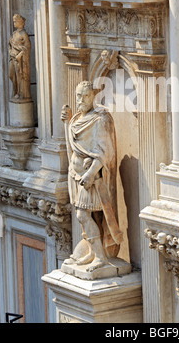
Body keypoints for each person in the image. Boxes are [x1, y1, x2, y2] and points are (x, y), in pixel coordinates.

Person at [61, 80, 123, 272]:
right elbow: (73, 148)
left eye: (86, 96)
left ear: (93, 96)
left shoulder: (100, 120)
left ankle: (101, 257)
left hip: (92, 179)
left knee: (83, 215)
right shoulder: (77, 119)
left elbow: (105, 153)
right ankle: (92, 251)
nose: (81, 99)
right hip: (76, 175)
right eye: (79, 95)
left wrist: (89, 174)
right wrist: (66, 123)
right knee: (88, 217)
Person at [9, 14, 31, 100]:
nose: (14, 22)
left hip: (20, 59)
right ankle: (15, 92)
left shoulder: (24, 34)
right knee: (11, 75)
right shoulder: (14, 33)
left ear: (21, 22)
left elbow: (27, 46)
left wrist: (20, 55)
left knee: (19, 77)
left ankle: (20, 93)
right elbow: (10, 45)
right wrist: (11, 52)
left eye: (15, 21)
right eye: (14, 21)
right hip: (12, 58)